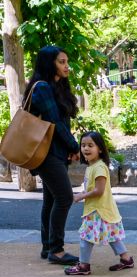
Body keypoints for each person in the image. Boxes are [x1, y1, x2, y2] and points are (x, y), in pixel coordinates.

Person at [25, 46, 81, 265]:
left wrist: (67, 149)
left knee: (51, 199)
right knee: (65, 197)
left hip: (55, 152)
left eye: (66, 61)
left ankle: (48, 246)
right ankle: (56, 250)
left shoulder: (56, 87)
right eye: (61, 62)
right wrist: (74, 146)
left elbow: (60, 122)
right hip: (45, 153)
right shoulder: (43, 89)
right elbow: (54, 123)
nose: (67, 66)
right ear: (50, 64)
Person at [64, 132, 134, 275]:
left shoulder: (99, 168)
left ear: (100, 149)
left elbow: (99, 191)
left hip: (97, 210)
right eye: (83, 145)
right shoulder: (92, 167)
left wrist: (81, 196)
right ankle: (126, 259)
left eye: (90, 145)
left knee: (85, 237)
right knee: (113, 236)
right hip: (103, 209)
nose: (86, 149)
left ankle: (83, 266)